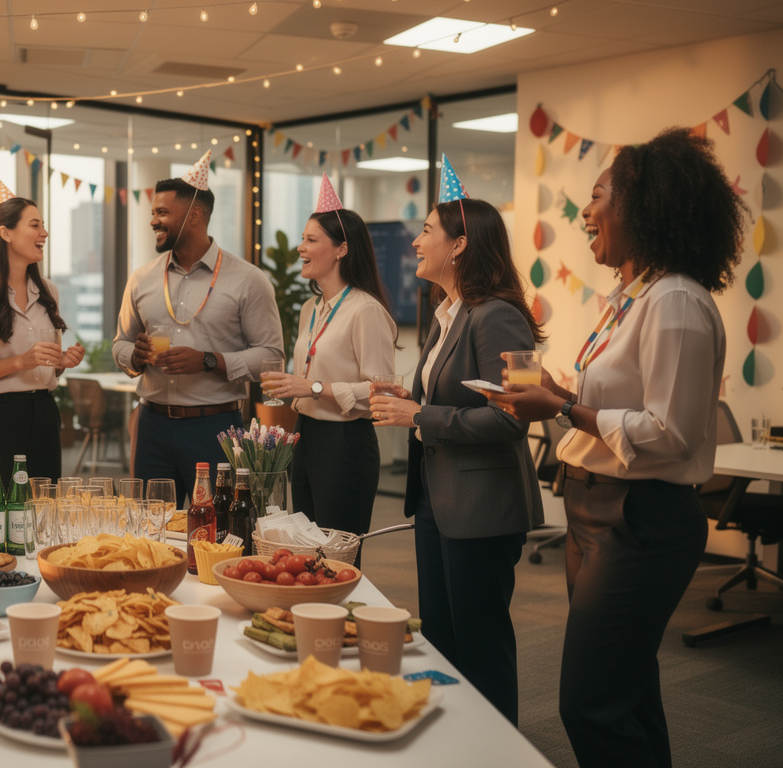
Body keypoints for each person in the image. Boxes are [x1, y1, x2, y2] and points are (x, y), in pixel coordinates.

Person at [489, 128, 746, 767]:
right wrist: (557, 389)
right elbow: (622, 403)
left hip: (642, 519)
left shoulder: (678, 303)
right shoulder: (633, 299)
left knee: (589, 703)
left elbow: (671, 434)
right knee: (626, 693)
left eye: (600, 194)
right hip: (594, 510)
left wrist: (565, 407)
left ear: (644, 207)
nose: (586, 211)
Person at [369, 186, 544, 724]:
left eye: (426, 231)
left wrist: (420, 417)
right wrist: (414, 400)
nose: (416, 242)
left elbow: (517, 417)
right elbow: (461, 397)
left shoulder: (498, 317)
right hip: (438, 502)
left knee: (481, 647)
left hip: (482, 507)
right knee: (442, 643)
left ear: (461, 244)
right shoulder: (449, 314)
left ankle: (497, 753)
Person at [112, 152, 283, 505]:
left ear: (194, 216)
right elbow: (120, 345)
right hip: (152, 423)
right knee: (150, 529)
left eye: (162, 213)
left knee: (220, 531)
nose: (153, 221)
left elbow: (272, 358)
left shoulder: (248, 280)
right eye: (152, 213)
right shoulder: (142, 277)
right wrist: (135, 355)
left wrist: (208, 361)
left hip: (215, 428)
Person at [259, 178, 395, 563]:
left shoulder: (365, 310)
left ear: (342, 249)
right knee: (305, 551)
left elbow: (381, 393)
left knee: (336, 557)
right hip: (307, 437)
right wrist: (294, 389)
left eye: (311, 239)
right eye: (302, 238)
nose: (301, 248)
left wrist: (313, 387)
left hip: (345, 444)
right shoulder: (310, 308)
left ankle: (338, 622)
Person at [0, 189, 85, 484]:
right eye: (34, 225)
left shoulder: (49, 291)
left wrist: (61, 361)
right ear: (5, 233)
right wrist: (19, 362)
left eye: (43, 225)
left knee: (42, 512)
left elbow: (46, 364)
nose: (44, 233)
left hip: (44, 414)